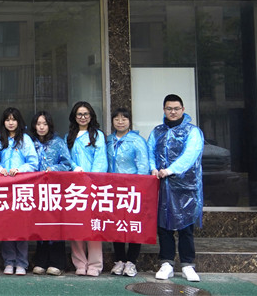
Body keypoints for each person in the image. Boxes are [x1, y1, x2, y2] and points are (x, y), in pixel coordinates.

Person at [148, 94, 204, 283]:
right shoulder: (157, 131)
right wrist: (153, 168)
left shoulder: (192, 131)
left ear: (183, 109)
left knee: (185, 226)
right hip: (162, 185)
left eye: (176, 108)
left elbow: (191, 154)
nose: (173, 112)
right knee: (163, 225)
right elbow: (150, 151)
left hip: (185, 187)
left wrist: (171, 170)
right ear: (164, 110)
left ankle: (188, 265)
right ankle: (167, 264)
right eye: (169, 108)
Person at [65, 101, 108, 277]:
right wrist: (74, 168)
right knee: (76, 225)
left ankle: (95, 265)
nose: (83, 117)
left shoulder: (97, 135)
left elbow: (101, 160)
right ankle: (80, 263)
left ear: (91, 116)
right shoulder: (69, 136)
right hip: (74, 187)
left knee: (93, 225)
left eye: (86, 114)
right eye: (79, 114)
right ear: (74, 117)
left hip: (93, 186)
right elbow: (66, 158)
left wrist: (92, 179)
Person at [107, 107, 149, 278]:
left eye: (124, 118)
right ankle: (119, 260)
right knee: (116, 224)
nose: (120, 122)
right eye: (116, 119)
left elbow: (143, 165)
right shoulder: (109, 140)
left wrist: (140, 186)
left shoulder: (137, 140)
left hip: (132, 189)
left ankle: (131, 261)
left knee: (133, 225)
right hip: (112, 189)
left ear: (130, 121)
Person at [30, 110, 73, 277]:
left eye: (45, 124)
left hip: (55, 190)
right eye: (38, 124)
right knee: (39, 225)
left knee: (55, 226)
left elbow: (67, 164)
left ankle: (57, 263)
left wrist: (53, 169)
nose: (41, 127)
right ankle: (41, 261)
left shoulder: (58, 142)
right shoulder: (30, 142)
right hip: (35, 190)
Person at [0, 107, 38, 276]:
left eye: (13, 119)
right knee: (6, 225)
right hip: (2, 188)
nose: (11, 123)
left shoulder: (25, 140)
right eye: (7, 119)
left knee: (21, 226)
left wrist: (20, 170)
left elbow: (33, 163)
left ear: (19, 121)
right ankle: (9, 261)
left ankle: (21, 262)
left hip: (22, 187)